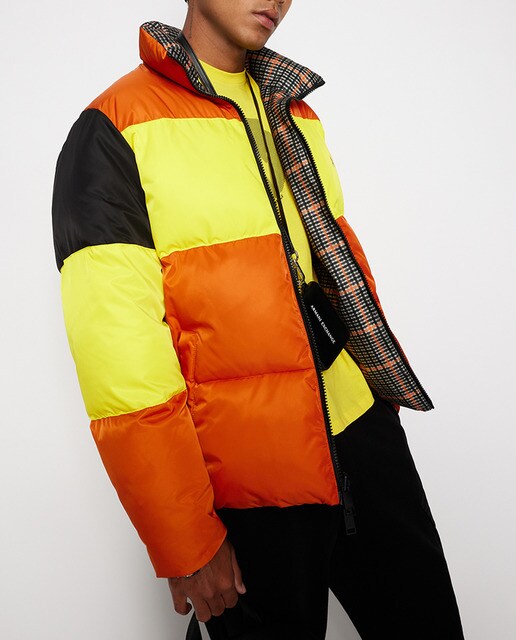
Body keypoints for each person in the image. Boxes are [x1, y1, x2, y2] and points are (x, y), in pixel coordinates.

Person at [52, 1, 464, 638]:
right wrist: (186, 538)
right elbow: (121, 364)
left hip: (361, 434)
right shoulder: (114, 128)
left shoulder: (293, 107)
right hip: (245, 475)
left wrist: (379, 396)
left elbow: (332, 266)